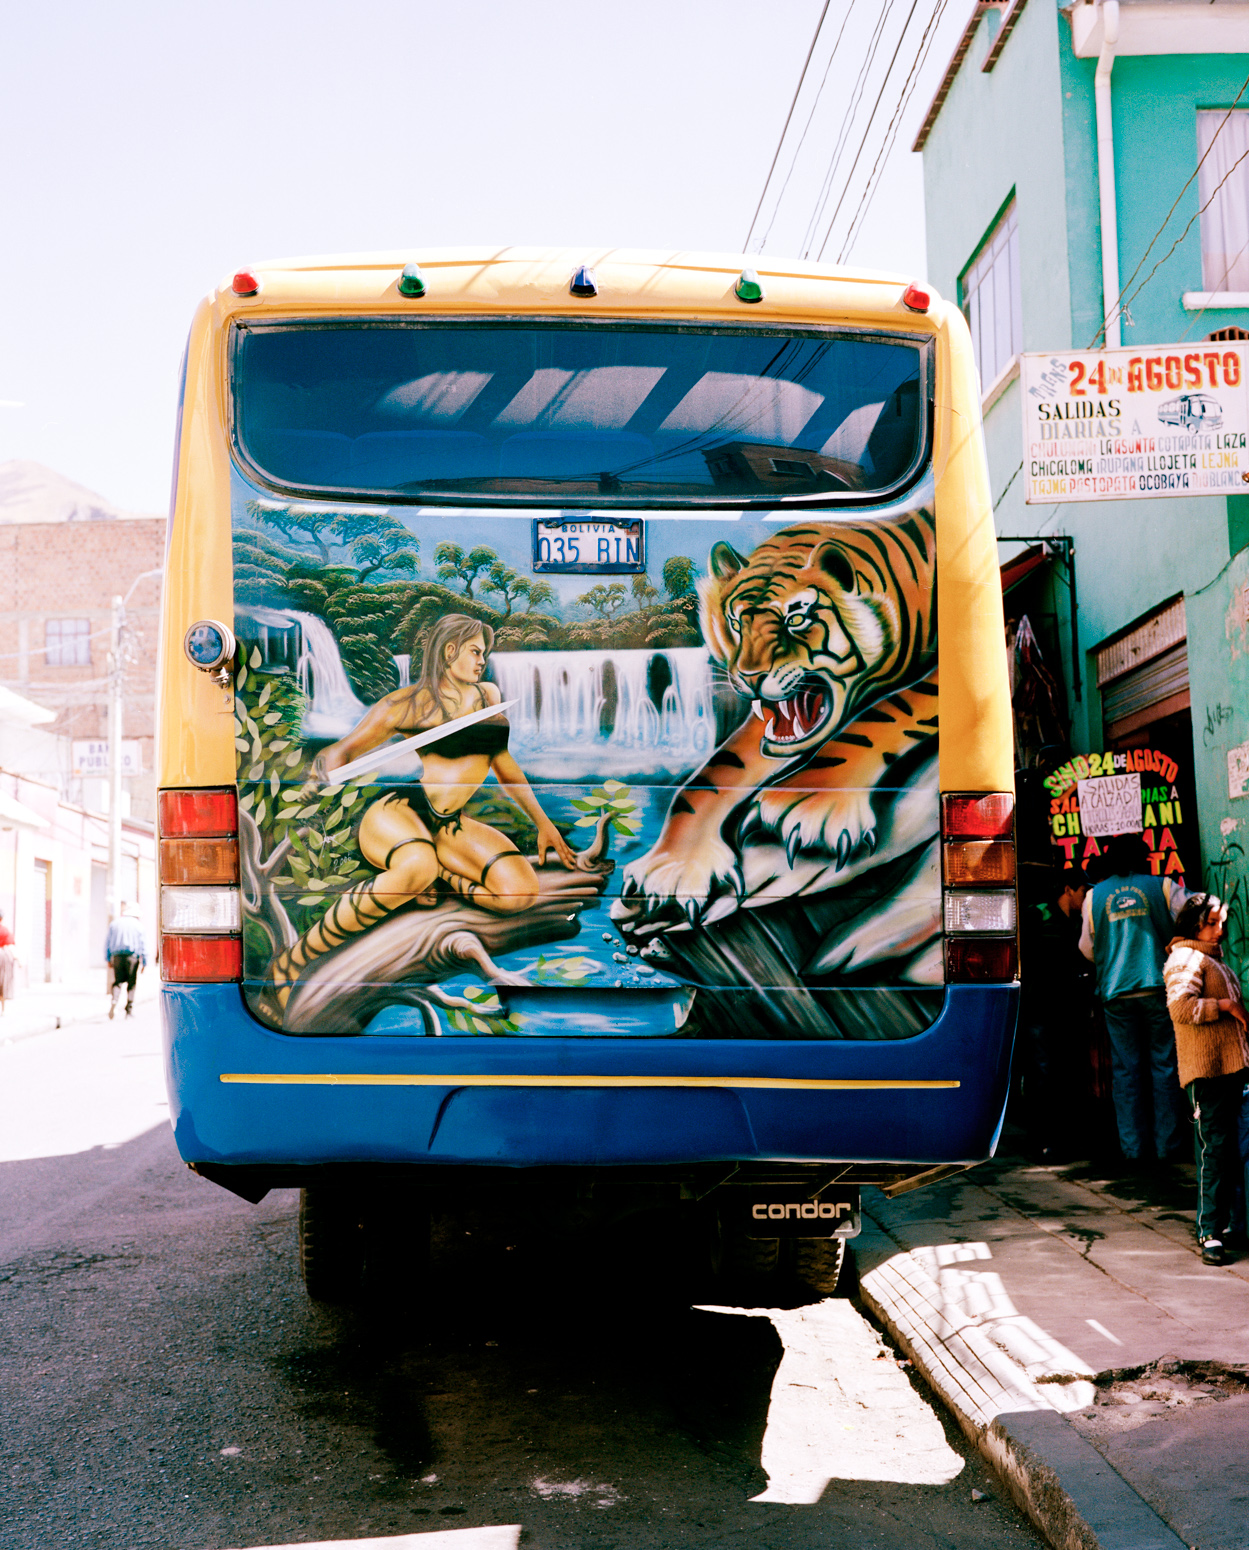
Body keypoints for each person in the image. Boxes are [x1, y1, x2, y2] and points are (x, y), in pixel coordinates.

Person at [267, 615, 576, 1013]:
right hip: (401, 812)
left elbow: (501, 760)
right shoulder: (407, 704)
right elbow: (343, 750)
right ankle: (292, 961)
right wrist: (323, 769)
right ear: (450, 652)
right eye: (475, 651)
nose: (483, 660)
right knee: (417, 866)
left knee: (520, 893)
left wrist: (543, 823)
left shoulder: (488, 696)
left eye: (485, 652)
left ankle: (443, 876)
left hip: (450, 824)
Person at [1079, 833, 1189, 1166]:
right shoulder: (1165, 887)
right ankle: (1166, 1147)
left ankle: (1132, 1149)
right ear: (1144, 858)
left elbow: (1087, 947)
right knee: (1164, 1065)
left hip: (1115, 991)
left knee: (1126, 1071)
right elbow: (1195, 920)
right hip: (1158, 988)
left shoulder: (1094, 896)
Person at [1163, 893, 1249, 1266]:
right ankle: (1210, 1233)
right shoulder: (1185, 957)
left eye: (1222, 924)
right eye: (1212, 924)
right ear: (1194, 923)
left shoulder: (1212, 958)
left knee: (1232, 1150)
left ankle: (1232, 1225)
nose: (1219, 931)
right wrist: (1227, 1006)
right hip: (1208, 1071)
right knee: (1215, 1152)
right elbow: (1180, 1007)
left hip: (1231, 1068)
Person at [1016, 864, 1090, 1160]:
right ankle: (1041, 1143)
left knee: (1065, 1074)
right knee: (1043, 1075)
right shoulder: (1038, 915)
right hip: (1040, 1009)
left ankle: (1064, 1141)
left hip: (1067, 1010)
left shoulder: (1079, 923)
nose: (1087, 899)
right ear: (1068, 890)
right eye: (1084, 891)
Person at [105, 901, 147, 1019]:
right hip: (132, 957)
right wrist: (145, 962)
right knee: (131, 983)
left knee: (118, 981)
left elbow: (107, 943)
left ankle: (114, 1000)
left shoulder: (115, 924)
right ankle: (129, 1009)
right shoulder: (138, 925)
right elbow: (143, 944)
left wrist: (108, 958)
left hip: (117, 956)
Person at [0, 909, 16, 1014]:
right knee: (3, 982)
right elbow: (11, 945)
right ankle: (3, 1009)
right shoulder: (5, 930)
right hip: (3, 957)